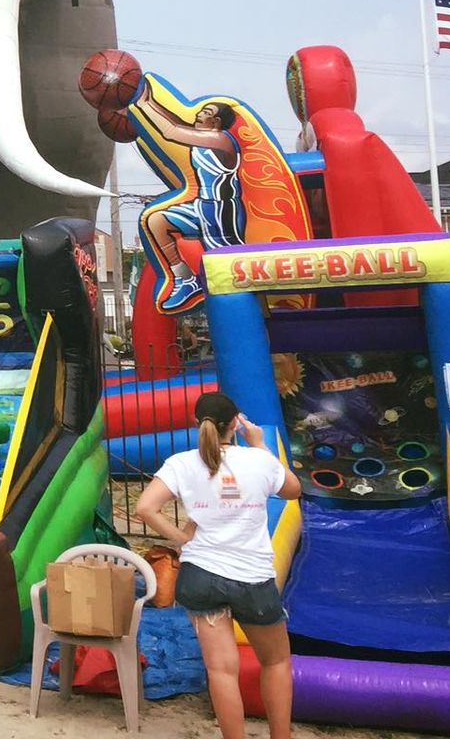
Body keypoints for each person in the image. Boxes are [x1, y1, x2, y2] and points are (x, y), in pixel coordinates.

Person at [135, 391, 300, 739]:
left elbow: (145, 508)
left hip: (201, 576)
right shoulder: (259, 461)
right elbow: (293, 490)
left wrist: (182, 538)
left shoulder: (181, 463)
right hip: (253, 579)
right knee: (276, 662)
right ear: (235, 424)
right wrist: (261, 447)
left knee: (222, 671)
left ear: (197, 424)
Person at [135, 95, 244, 314]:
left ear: (216, 122)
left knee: (227, 269)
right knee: (156, 221)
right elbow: (175, 124)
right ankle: (185, 279)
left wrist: (145, 106)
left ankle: (244, 303)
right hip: (200, 205)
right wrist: (152, 104)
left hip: (221, 210)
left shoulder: (222, 140)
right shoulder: (203, 138)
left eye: (206, 112)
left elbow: (172, 131)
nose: (199, 114)